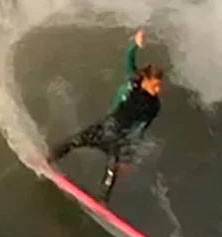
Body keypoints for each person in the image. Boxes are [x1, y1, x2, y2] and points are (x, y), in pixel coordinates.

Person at [48, 29, 163, 204]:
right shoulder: (134, 82)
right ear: (146, 80)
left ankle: (101, 204)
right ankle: (47, 160)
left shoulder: (154, 106)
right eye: (155, 86)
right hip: (107, 125)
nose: (158, 90)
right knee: (74, 141)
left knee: (112, 171)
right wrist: (135, 44)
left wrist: (128, 158)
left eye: (159, 86)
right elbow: (129, 59)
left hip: (120, 137)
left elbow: (140, 130)